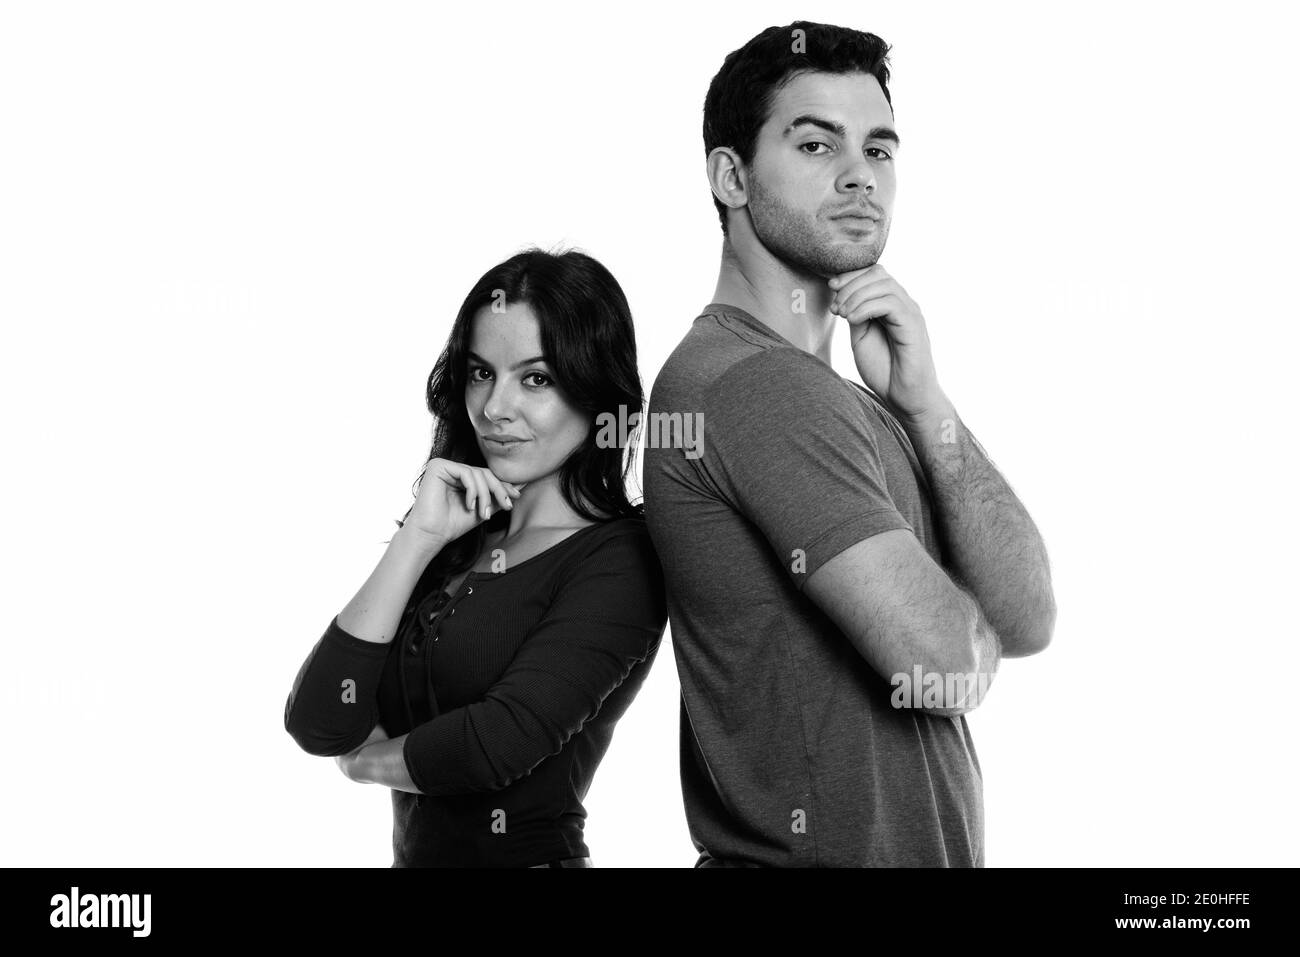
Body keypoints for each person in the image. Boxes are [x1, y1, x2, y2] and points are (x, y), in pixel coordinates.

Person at [643, 21, 1057, 867]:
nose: (858, 175)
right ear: (731, 176)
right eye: (814, 144)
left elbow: (1026, 618)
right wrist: (956, 624)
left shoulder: (842, 398)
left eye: (879, 148)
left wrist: (924, 403)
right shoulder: (753, 385)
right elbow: (952, 661)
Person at [284, 247, 667, 867]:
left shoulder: (619, 561)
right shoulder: (460, 538)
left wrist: (362, 765)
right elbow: (320, 717)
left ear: (597, 393)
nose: (494, 409)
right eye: (482, 373)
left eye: (536, 379)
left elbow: (498, 741)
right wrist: (419, 539)